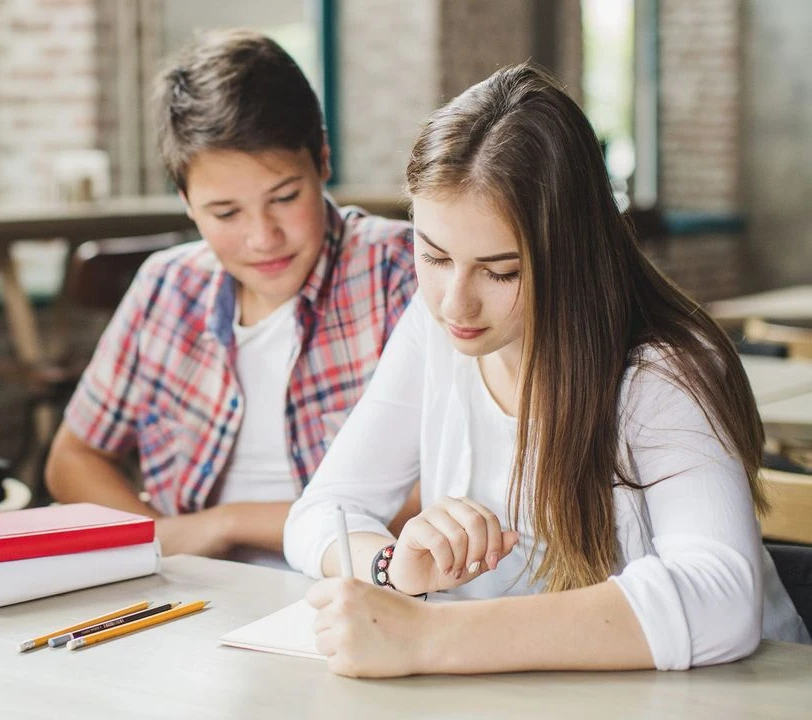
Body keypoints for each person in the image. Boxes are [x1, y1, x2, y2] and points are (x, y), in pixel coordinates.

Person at [284, 62, 810, 677]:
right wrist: (395, 567)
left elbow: (719, 599)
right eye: (432, 256)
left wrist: (430, 636)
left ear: (573, 253)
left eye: (500, 270)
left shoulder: (664, 367)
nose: (456, 302)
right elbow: (323, 513)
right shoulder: (435, 329)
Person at [44, 29, 418, 568]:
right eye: (225, 213)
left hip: (353, 589)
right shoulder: (168, 287)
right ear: (187, 204)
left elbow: (442, 488)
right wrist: (162, 544)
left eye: (285, 198)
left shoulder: (400, 272)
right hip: (196, 596)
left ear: (323, 161)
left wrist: (227, 523)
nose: (262, 237)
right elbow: (72, 458)